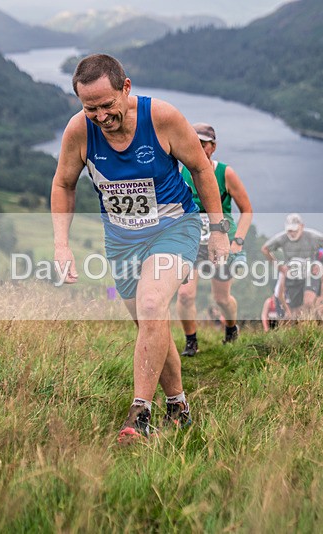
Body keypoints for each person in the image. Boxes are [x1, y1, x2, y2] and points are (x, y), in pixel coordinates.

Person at [50, 54, 230, 443]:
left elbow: (201, 168)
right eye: (89, 107)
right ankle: (178, 405)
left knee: (152, 306)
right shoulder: (79, 131)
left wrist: (217, 229)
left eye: (107, 105)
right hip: (121, 240)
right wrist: (62, 245)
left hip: (174, 227)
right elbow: (63, 183)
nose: (100, 115)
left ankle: (139, 415)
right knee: (150, 325)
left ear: (126, 88)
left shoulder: (161, 118)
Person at [176, 123, 253, 356]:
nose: (198, 148)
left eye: (203, 144)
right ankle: (191, 342)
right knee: (184, 294)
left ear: (213, 147)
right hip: (191, 242)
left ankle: (231, 329)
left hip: (220, 242)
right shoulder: (182, 172)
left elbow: (247, 210)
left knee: (221, 298)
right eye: (194, 143)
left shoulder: (225, 173)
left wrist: (237, 241)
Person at [260, 213, 323, 323]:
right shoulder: (282, 238)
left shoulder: (312, 236)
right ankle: (307, 327)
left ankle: (315, 325)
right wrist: (279, 267)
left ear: (302, 226)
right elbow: (265, 249)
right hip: (293, 274)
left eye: (294, 230)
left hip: (310, 273)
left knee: (308, 302)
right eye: (289, 231)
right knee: (295, 310)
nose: (292, 234)